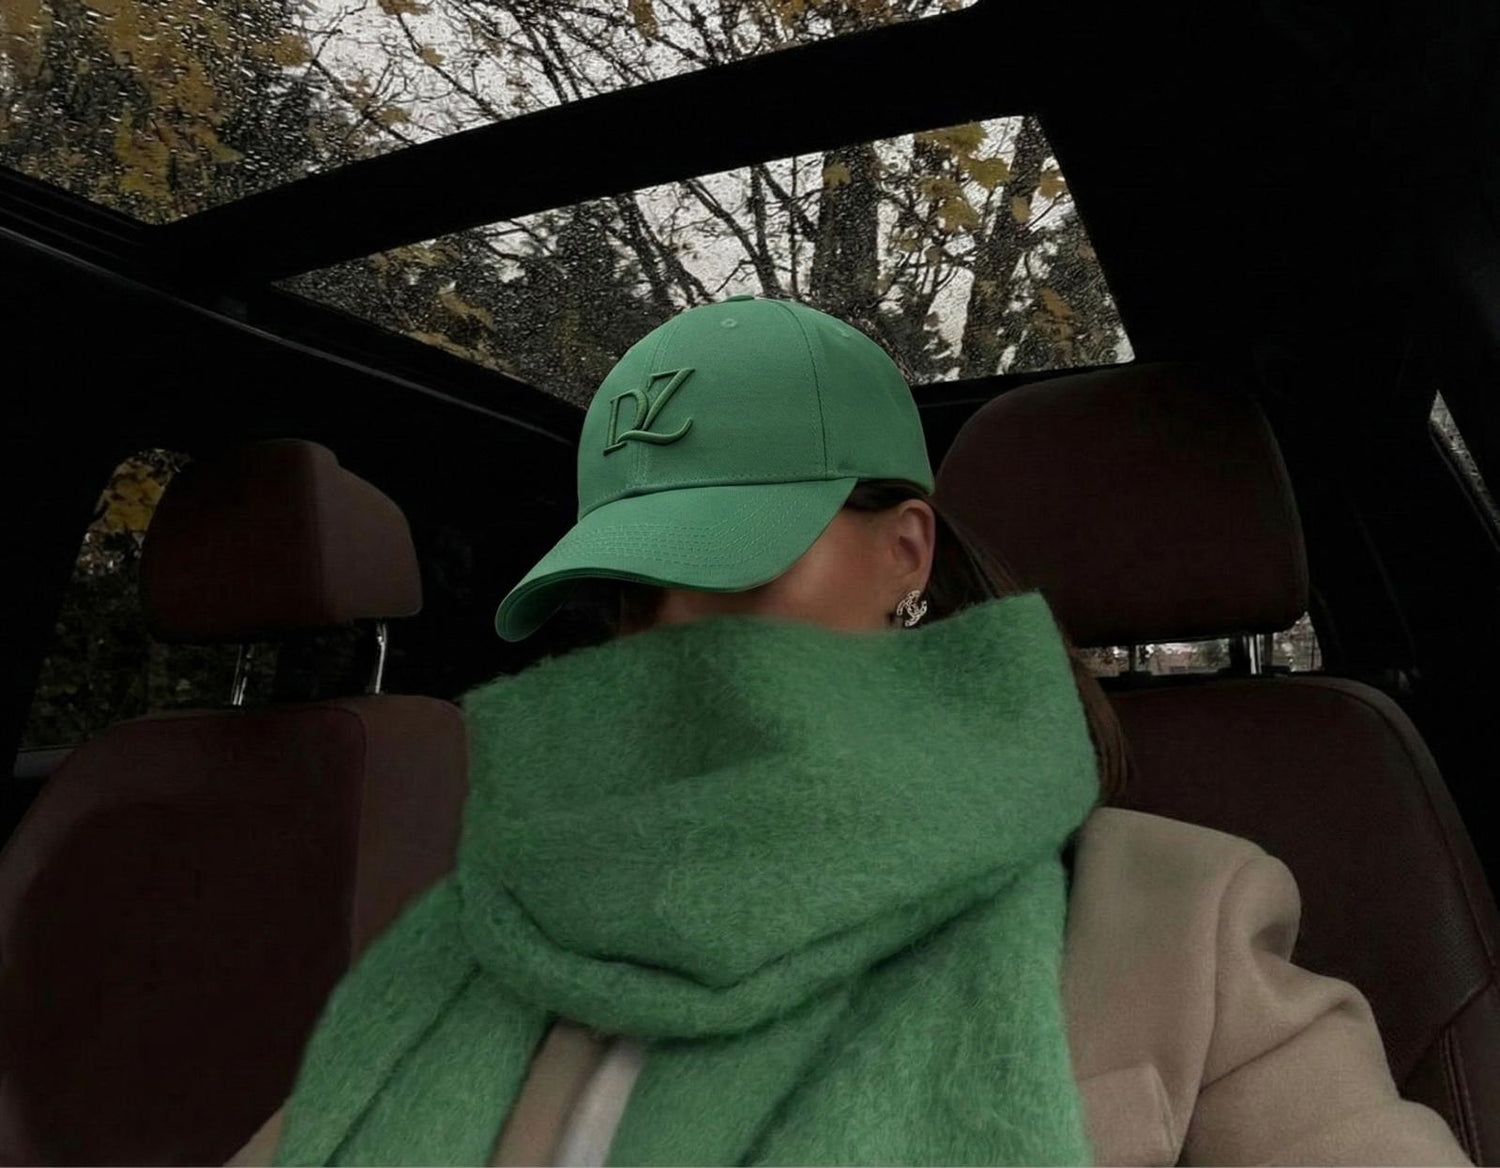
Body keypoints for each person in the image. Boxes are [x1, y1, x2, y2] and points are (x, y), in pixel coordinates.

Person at [229, 295, 1472, 1167]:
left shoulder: (1176, 919)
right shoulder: (496, 938)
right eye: (636, 598)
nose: (674, 646)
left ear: (904, 553)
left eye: (736, 571)